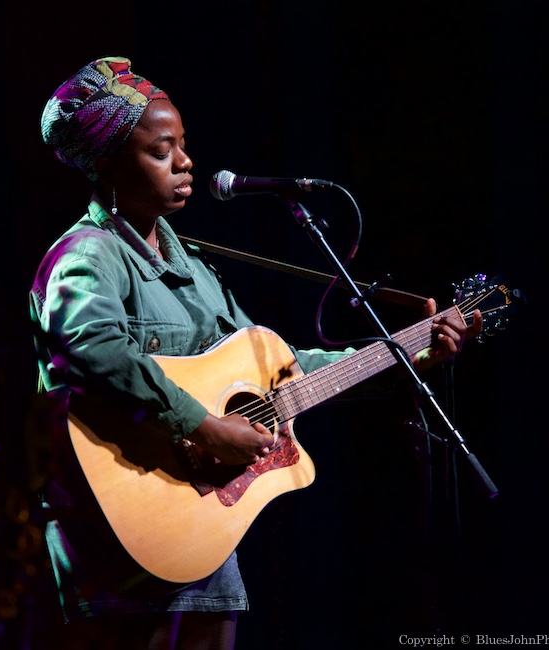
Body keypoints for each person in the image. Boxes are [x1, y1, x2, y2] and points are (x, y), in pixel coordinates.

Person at [29, 56, 482, 650]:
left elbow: (282, 371)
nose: (186, 162)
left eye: (183, 145)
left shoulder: (197, 269)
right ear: (110, 164)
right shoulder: (88, 256)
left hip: (205, 526)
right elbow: (91, 350)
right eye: (161, 151)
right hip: (120, 536)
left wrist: (408, 355)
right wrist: (205, 428)